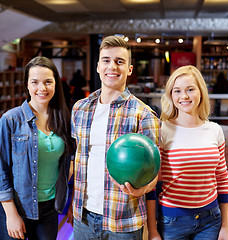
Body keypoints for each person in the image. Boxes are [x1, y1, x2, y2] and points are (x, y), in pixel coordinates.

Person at [68, 35, 161, 239]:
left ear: (129, 69)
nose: (113, 67)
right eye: (107, 60)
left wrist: (143, 189)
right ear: (98, 66)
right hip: (83, 218)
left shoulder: (143, 114)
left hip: (124, 221)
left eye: (120, 62)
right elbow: (77, 160)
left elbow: (154, 171)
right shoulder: (79, 109)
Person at [0, 56, 75, 240]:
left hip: (49, 210)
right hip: (16, 208)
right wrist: (11, 215)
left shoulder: (64, 120)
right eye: (35, 82)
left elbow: (71, 161)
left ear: (55, 85)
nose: (42, 88)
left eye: (48, 82)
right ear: (27, 85)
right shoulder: (11, 119)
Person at [157, 65, 228, 240]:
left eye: (190, 89)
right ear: (171, 95)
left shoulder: (215, 130)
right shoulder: (162, 130)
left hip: (211, 219)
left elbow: (222, 177)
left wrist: (226, 227)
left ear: (201, 92)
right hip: (173, 219)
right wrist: (152, 229)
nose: (184, 96)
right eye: (177, 91)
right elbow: (154, 182)